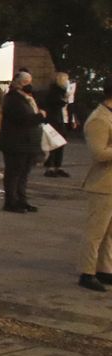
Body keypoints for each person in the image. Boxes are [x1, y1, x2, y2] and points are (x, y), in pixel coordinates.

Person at [79, 84, 112, 292]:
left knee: (109, 232)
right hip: (102, 183)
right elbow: (99, 153)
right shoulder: (99, 119)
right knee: (95, 232)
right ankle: (87, 271)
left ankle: (105, 268)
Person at [0, 70, 47, 213]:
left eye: (30, 82)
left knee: (24, 174)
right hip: (16, 142)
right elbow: (22, 119)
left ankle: (22, 200)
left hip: (28, 142)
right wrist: (40, 116)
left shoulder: (28, 98)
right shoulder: (13, 99)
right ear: (18, 84)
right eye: (26, 82)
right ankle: (11, 202)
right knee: (14, 173)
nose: (29, 85)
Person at [42, 72, 72, 178]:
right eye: (65, 80)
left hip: (62, 119)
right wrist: (65, 99)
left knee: (61, 142)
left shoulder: (64, 91)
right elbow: (55, 104)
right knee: (53, 143)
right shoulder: (54, 91)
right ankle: (50, 166)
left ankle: (58, 166)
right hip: (54, 120)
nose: (66, 82)